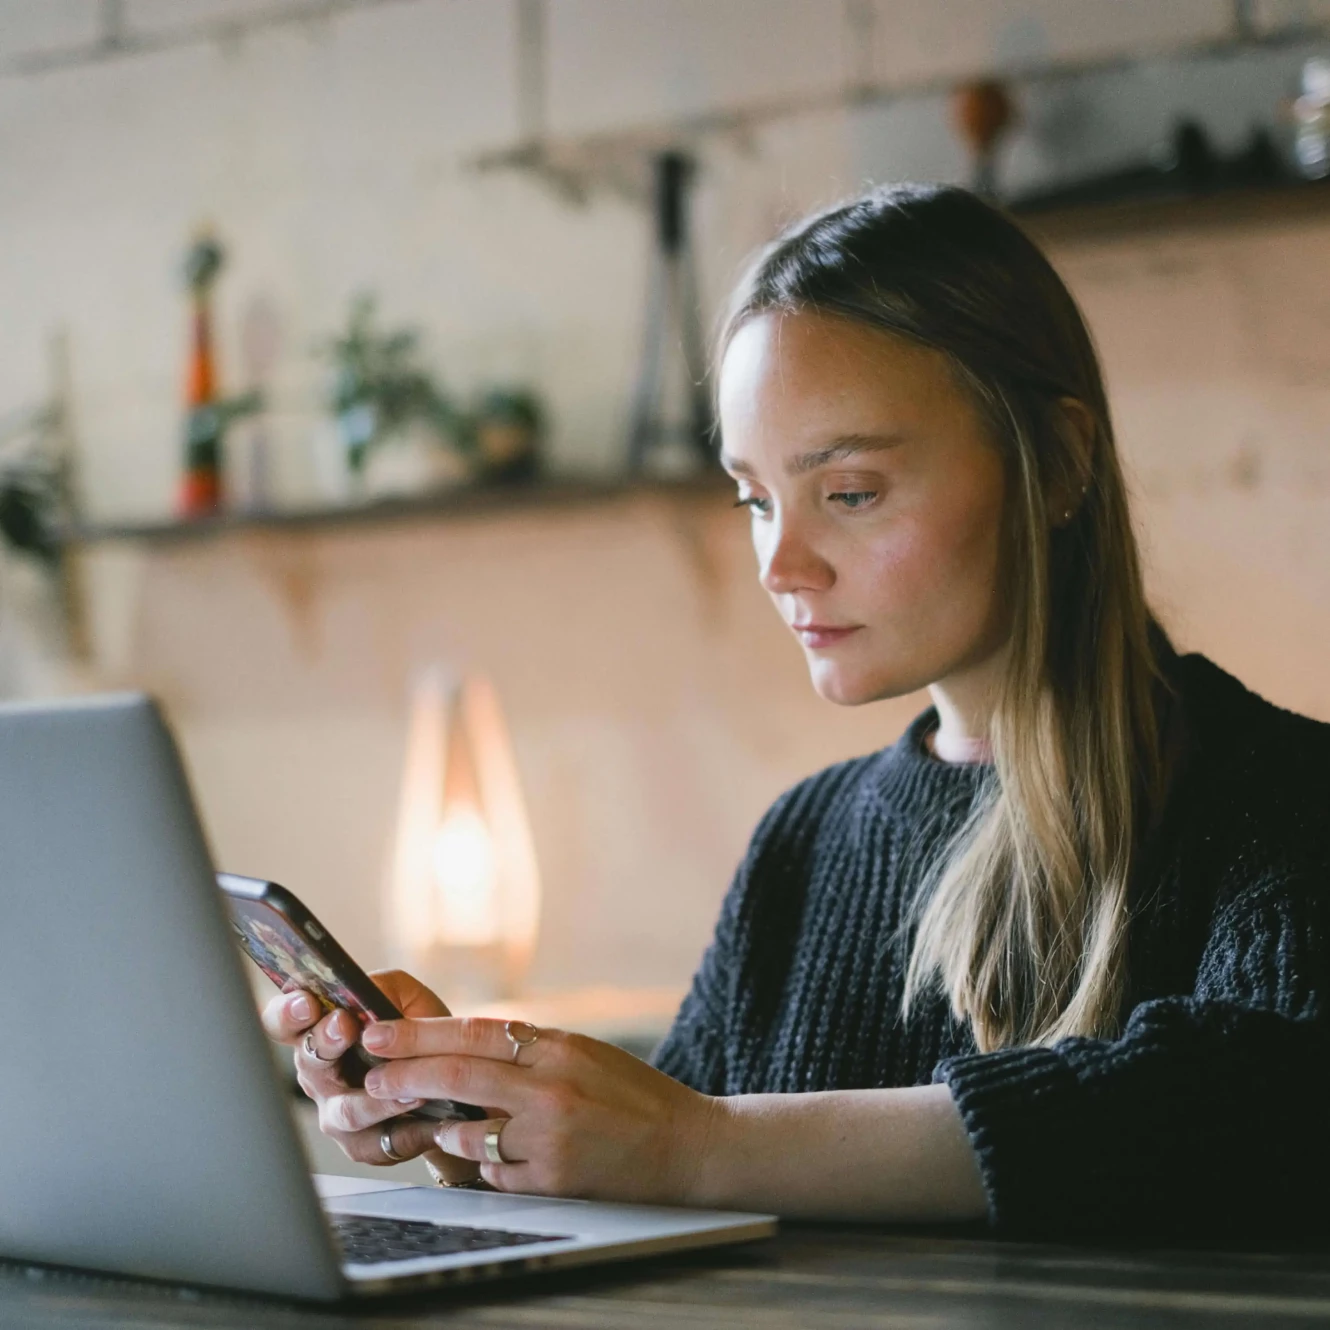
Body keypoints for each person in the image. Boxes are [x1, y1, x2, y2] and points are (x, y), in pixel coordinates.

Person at [264, 184, 1330, 1238]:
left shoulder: (1279, 796)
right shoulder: (802, 843)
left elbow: (1253, 1103)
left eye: (851, 491)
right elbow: (668, 1153)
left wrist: (695, 1147)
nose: (781, 563)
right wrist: (476, 1112)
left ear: (1058, 458)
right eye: (755, 498)